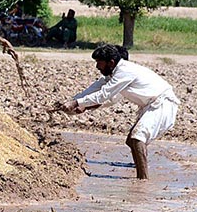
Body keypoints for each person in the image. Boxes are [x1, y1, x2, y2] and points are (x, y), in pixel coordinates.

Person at [61, 43, 179, 180]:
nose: (97, 67)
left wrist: (77, 103)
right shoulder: (113, 74)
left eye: (99, 63)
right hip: (150, 105)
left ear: (111, 62)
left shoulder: (124, 72)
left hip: (162, 103)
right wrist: (74, 102)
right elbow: (99, 91)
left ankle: (143, 179)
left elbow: (104, 95)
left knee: (137, 138)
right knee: (131, 141)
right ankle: (140, 170)